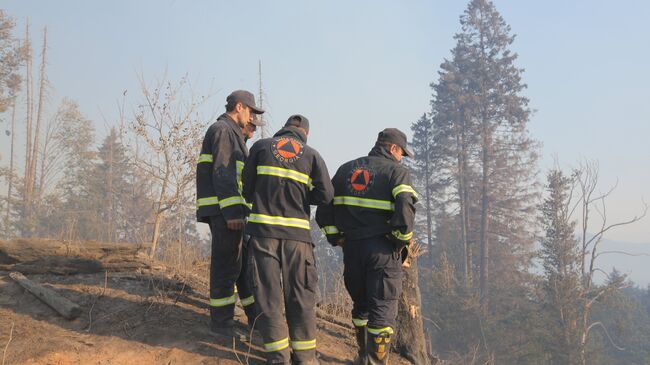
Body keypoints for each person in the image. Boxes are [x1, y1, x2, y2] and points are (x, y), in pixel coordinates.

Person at [316, 128, 417, 365]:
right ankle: (374, 363)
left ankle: (363, 357)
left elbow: (324, 206)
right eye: (402, 152)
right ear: (393, 148)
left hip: (352, 249)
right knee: (382, 308)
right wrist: (401, 239)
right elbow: (405, 205)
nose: (402, 158)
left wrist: (335, 237)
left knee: (361, 306)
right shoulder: (396, 171)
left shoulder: (346, 170)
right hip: (383, 249)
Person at [241, 115, 333, 364]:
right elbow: (326, 195)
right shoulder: (312, 155)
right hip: (298, 241)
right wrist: (303, 193)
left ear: (284, 129)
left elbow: (246, 188)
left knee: (267, 298)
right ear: (305, 133)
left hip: (263, 237)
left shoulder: (260, 147)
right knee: (301, 298)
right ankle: (304, 358)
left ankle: (278, 358)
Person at [196, 90, 265, 339]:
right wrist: (233, 211)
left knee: (243, 267)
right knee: (226, 268)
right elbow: (223, 174)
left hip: (230, 213)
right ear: (239, 107)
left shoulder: (233, 135)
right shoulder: (223, 131)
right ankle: (222, 326)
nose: (251, 119)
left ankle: (256, 320)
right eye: (250, 112)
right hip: (226, 214)